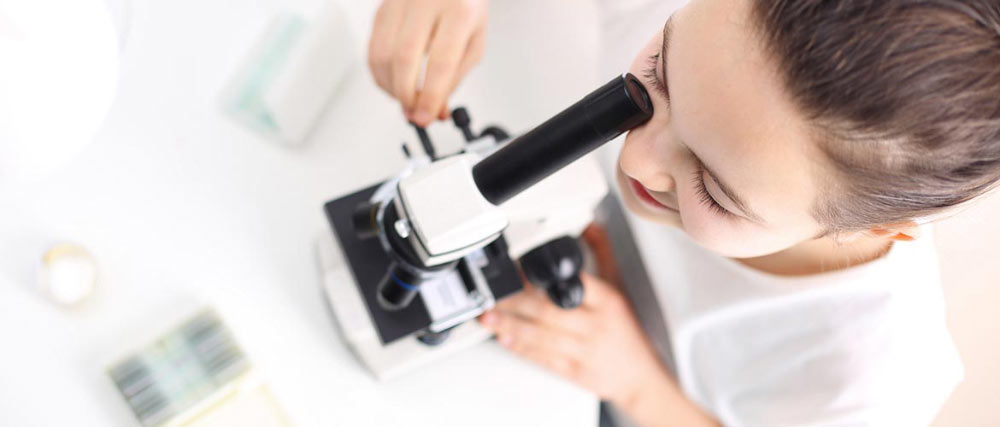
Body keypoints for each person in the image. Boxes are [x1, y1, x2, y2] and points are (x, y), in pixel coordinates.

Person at [367, 0, 1000, 425]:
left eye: (715, 190)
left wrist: (638, 384)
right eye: (658, 76)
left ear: (872, 229)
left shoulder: (870, 381)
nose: (636, 161)